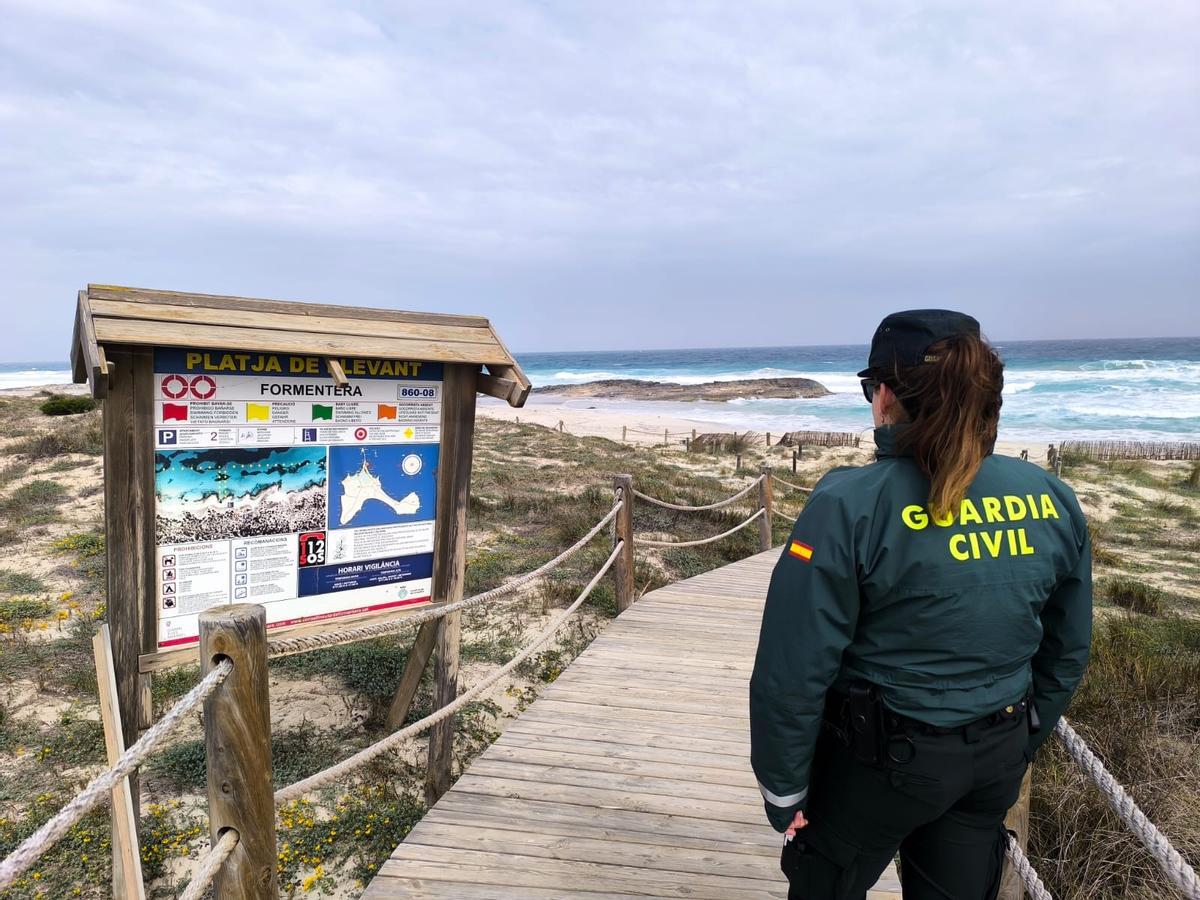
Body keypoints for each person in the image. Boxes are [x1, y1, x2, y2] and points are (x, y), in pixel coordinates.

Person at [749, 310, 1092, 900]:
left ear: (885, 396)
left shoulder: (848, 504)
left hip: (878, 763)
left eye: (870, 389)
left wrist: (785, 790)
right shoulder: (1051, 497)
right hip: (996, 751)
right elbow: (1067, 649)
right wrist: (1023, 738)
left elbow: (794, 667)